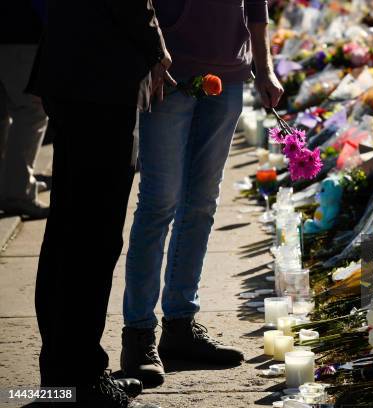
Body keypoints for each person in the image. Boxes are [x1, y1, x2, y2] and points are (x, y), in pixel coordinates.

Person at [120, 0, 283, 386]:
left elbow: (256, 8)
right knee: (159, 203)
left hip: (227, 74)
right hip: (168, 71)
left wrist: (266, 68)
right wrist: (152, 54)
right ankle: (139, 334)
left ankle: (180, 325)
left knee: (201, 205)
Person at [32, 1, 173, 406]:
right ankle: (82, 378)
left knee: (69, 229)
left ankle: (64, 374)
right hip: (100, 76)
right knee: (91, 235)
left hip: (75, 69)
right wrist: (157, 47)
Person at [0, 0, 49, 219]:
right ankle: (17, 190)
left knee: (6, 113)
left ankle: (11, 182)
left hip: (9, 29)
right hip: (24, 34)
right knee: (31, 112)